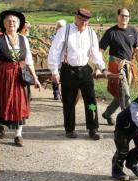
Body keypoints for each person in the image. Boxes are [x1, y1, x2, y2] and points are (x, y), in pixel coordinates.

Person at [47, 8, 109, 140]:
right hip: (68, 70)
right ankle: (69, 129)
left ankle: (93, 129)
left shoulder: (91, 33)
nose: (83, 23)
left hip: (85, 70)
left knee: (91, 100)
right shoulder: (65, 30)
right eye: (81, 20)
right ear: (76, 18)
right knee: (68, 101)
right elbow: (55, 51)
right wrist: (54, 71)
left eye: (86, 21)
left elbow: (95, 54)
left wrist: (103, 68)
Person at [0, 10, 42, 147]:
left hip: (20, 76)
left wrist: (35, 78)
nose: (12, 23)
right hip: (3, 75)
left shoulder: (24, 39)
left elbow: (29, 61)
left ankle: (18, 135)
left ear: (19, 24)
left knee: (20, 104)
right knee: (3, 101)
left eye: (14, 21)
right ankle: (2, 124)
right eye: (9, 21)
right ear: (4, 24)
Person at [99, 8, 138, 126]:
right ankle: (128, 120)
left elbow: (137, 50)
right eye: (122, 15)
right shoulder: (111, 32)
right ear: (118, 16)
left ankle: (108, 113)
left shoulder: (133, 31)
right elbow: (100, 50)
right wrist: (99, 67)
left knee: (121, 93)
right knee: (125, 93)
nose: (124, 18)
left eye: (127, 16)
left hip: (128, 66)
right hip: (116, 66)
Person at [49, 19, 66, 100]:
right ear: (56, 27)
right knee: (54, 75)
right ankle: (56, 91)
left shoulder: (68, 36)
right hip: (55, 59)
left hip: (64, 60)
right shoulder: (53, 36)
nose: (60, 28)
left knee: (64, 77)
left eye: (62, 26)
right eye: (59, 26)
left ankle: (64, 92)